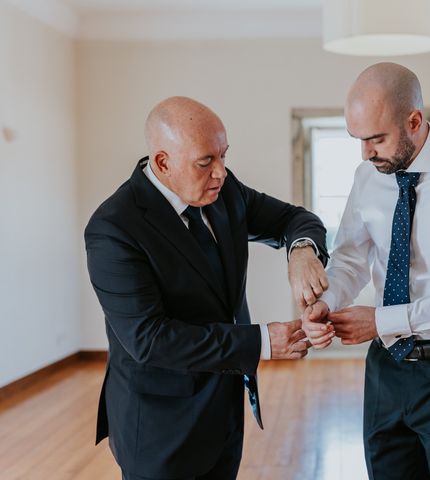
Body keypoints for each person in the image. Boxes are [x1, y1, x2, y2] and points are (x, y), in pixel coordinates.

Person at [85, 96, 329, 480]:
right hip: (159, 428)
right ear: (163, 162)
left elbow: (293, 218)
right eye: (206, 162)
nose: (221, 173)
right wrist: (262, 342)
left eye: (224, 156)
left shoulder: (225, 191)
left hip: (224, 411)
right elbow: (149, 339)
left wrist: (301, 251)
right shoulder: (114, 228)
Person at [303, 63, 430, 479]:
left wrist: (382, 320)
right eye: (358, 140)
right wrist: (324, 305)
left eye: (377, 139)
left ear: (414, 121)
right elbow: (349, 258)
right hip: (385, 369)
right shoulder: (368, 176)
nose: (366, 153)